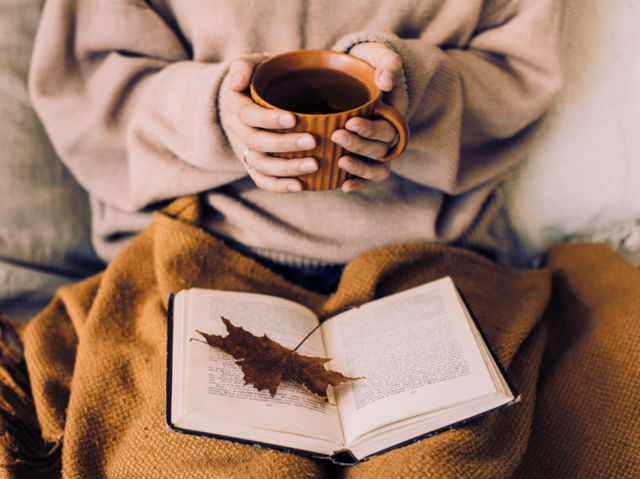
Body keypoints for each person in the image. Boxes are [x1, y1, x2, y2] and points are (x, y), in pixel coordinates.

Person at [29, 0, 561, 293]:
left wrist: (414, 93)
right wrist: (217, 112)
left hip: (428, 262)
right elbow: (88, 88)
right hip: (197, 251)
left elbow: (518, 74)